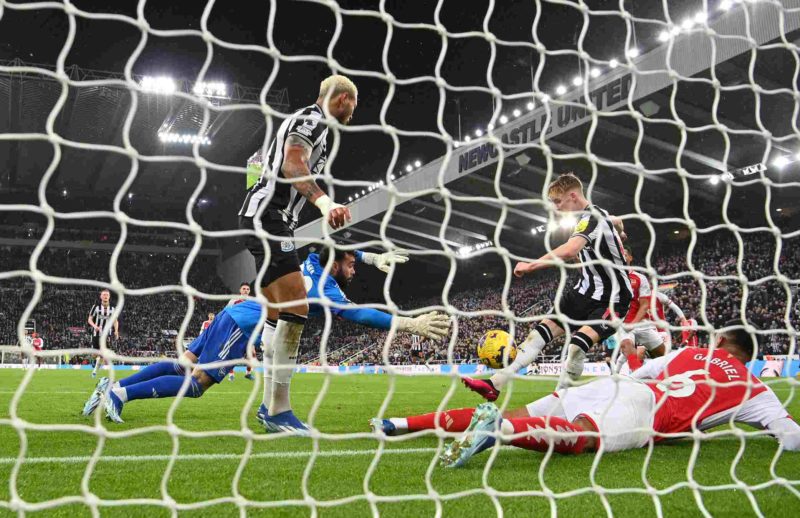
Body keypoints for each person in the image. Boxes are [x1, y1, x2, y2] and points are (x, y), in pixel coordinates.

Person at [371, 323, 800, 467]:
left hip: (615, 386)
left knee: (519, 410)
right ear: (747, 355)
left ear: (721, 341)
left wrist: (632, 355)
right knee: (581, 437)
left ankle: (399, 423)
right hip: (644, 411)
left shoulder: (691, 351)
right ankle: (498, 428)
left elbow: (643, 370)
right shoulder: (754, 387)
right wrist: (773, 431)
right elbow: (790, 434)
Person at [238, 75, 355, 433]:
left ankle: (268, 407)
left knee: (276, 314)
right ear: (341, 99)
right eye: (354, 102)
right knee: (297, 307)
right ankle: (279, 410)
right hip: (268, 217)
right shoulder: (312, 119)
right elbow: (292, 164)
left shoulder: (306, 120)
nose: (354, 110)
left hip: (265, 218)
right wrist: (324, 202)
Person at [463, 173, 632, 399]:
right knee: (537, 336)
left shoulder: (592, 217)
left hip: (613, 299)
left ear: (573, 196)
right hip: (583, 292)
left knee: (576, 347)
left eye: (558, 201)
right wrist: (618, 226)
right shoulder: (594, 218)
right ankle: (495, 383)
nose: (556, 208)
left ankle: (560, 401)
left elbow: (570, 249)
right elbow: (613, 222)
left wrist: (532, 265)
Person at [255, 245, 450, 428]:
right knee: (281, 349)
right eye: (350, 266)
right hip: (247, 321)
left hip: (261, 315)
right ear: (333, 266)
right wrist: (411, 324)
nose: (354, 271)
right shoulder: (324, 289)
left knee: (274, 351)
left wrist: (371, 258)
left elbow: (340, 250)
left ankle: (267, 408)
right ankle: (278, 413)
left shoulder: (315, 259)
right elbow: (361, 314)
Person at [81, 300, 263, 423]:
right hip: (242, 324)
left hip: (232, 313)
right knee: (198, 383)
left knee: (180, 366)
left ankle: (112, 386)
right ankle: (119, 395)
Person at [87, 289, 119, 378]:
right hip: (96, 333)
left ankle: (94, 372)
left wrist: (116, 331)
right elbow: (89, 319)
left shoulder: (113, 308)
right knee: (95, 354)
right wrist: (95, 326)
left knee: (102, 354)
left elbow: (115, 321)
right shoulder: (95, 307)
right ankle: (95, 363)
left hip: (106, 334)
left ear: (109, 297)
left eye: (107, 295)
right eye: (104, 294)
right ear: (101, 296)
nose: (105, 296)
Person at [226, 283, 254, 381]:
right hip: (236, 330)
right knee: (233, 354)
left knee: (252, 353)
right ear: (240, 290)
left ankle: (248, 373)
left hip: (248, 331)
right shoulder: (234, 300)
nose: (246, 290)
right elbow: (227, 313)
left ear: (249, 291)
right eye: (244, 289)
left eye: (247, 289)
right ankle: (231, 374)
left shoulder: (253, 301)